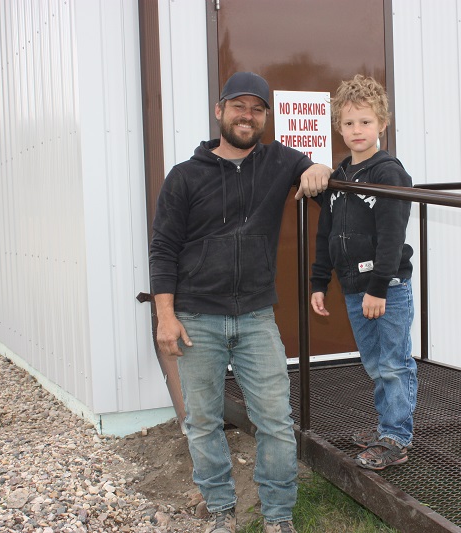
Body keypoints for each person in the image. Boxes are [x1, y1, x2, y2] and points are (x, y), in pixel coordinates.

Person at [149, 71, 330, 533]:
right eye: (238, 106)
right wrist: (165, 318)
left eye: (257, 109)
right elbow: (163, 249)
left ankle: (278, 517)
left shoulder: (279, 162)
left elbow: (320, 173)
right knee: (203, 421)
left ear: (265, 117)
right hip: (196, 318)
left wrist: (319, 168)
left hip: (254, 317)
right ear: (220, 111)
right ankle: (220, 512)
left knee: (275, 419)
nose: (247, 116)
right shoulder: (185, 176)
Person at [310, 74, 417, 470]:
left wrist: (379, 288)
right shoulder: (339, 176)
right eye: (350, 123)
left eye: (366, 122)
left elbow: (392, 235)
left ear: (382, 125)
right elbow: (326, 233)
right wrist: (319, 281)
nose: (358, 130)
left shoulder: (388, 172)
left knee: (394, 361)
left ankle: (397, 436)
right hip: (354, 287)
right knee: (374, 362)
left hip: (385, 286)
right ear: (339, 127)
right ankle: (386, 423)